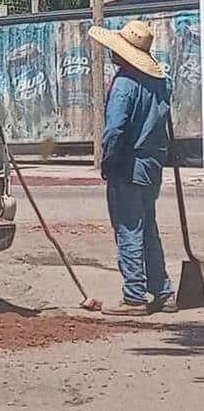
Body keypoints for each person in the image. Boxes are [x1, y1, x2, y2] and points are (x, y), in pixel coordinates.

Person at [88, 20, 177, 316]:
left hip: (128, 165)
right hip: (152, 165)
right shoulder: (161, 83)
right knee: (147, 227)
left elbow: (114, 130)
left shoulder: (125, 84)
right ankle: (163, 291)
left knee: (128, 229)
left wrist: (107, 161)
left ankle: (135, 295)